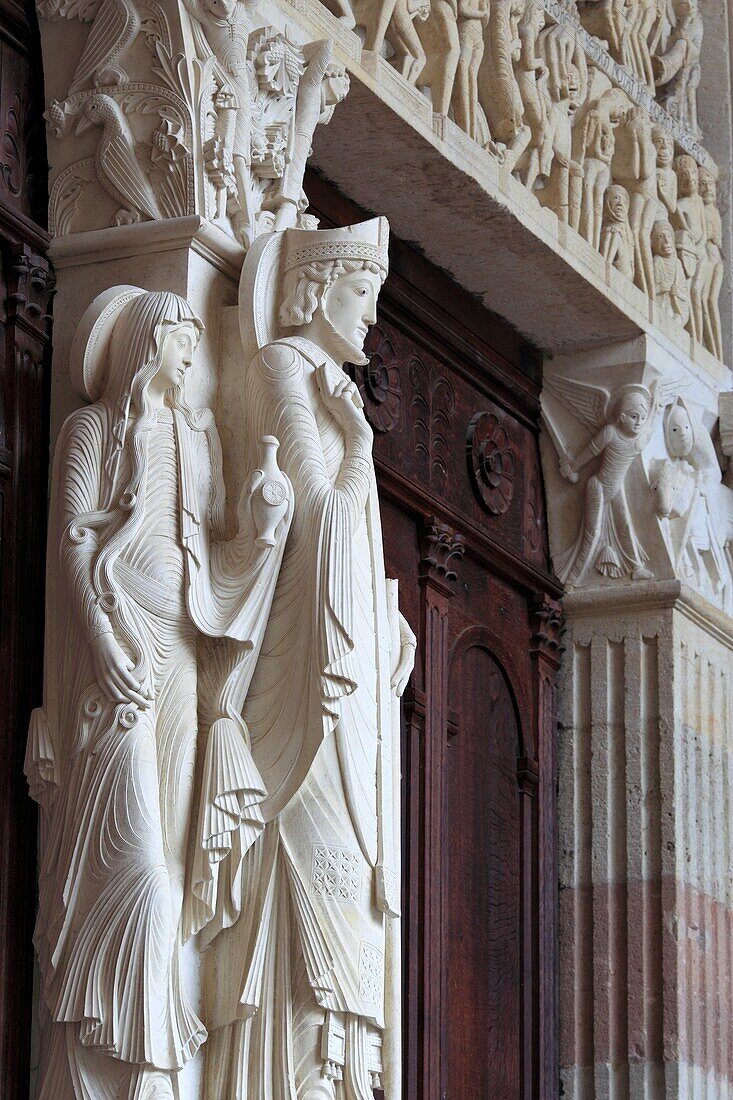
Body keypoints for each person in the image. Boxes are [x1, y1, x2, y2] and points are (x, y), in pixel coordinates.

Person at [26, 287, 291, 1099]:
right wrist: (104, 645)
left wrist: (262, 523)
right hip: (118, 651)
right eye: (179, 338)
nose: (190, 354)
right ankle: (100, 1056)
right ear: (146, 343)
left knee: (171, 872)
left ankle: (150, 1069)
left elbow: (212, 558)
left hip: (178, 655)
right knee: (128, 858)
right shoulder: (93, 430)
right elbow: (74, 543)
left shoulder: (193, 435)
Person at [204, 219, 416, 1099]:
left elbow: (345, 537)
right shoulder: (285, 367)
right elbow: (317, 515)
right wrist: (360, 448)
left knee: (358, 897)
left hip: (350, 667)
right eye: (360, 295)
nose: (370, 318)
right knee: (305, 874)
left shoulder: (331, 383)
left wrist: (380, 617)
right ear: (314, 287)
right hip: (303, 679)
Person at [556, 384, 660, 584]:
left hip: (617, 489)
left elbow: (653, 422)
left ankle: (636, 567)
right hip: (598, 487)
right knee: (592, 534)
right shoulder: (610, 433)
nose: (639, 423)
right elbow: (589, 452)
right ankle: (573, 578)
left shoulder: (639, 441)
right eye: (634, 416)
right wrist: (573, 467)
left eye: (642, 418)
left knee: (626, 527)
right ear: (621, 417)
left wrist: (656, 402)